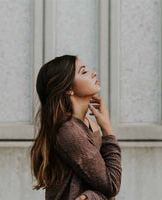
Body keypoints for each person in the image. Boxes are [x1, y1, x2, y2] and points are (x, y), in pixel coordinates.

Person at [30, 55, 122, 200]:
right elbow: (111, 185)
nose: (94, 73)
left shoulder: (89, 123)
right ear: (68, 89)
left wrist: (91, 196)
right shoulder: (69, 131)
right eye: (83, 72)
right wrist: (108, 130)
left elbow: (102, 182)